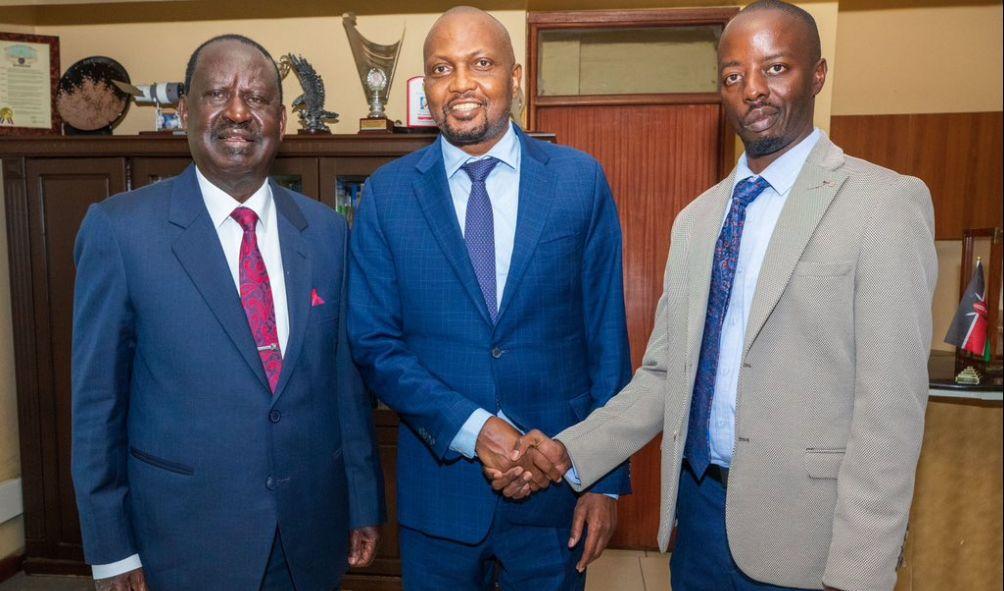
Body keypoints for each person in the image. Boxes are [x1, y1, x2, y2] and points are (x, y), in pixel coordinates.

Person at [490, 2, 938, 590]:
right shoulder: (699, 220)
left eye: (775, 68)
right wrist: (570, 451)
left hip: (811, 541)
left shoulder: (882, 205)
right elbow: (663, 377)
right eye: (733, 75)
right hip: (698, 525)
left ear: (818, 75)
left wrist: (858, 573)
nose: (753, 89)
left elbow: (890, 415)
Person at [71, 34, 383, 591]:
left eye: (257, 98)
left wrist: (361, 500)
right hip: (183, 540)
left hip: (308, 533)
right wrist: (111, 549)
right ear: (185, 111)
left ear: (282, 120)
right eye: (217, 94)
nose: (238, 112)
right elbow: (97, 405)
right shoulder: (120, 231)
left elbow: (345, 384)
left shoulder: (329, 233)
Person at [347, 7, 631, 590]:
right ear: (427, 86)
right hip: (440, 499)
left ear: (515, 76)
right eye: (442, 68)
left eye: (481, 64)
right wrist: (474, 429)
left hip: (559, 488)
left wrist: (604, 478)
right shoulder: (386, 196)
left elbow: (606, 336)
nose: (462, 83)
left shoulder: (579, 180)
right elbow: (375, 344)